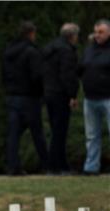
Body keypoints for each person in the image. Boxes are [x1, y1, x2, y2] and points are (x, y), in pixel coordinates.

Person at [2, 21, 48, 175]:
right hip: (29, 97)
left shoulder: (9, 52)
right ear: (31, 33)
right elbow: (37, 76)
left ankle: (12, 166)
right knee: (37, 133)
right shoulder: (31, 52)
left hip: (12, 95)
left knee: (13, 134)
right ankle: (47, 164)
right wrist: (41, 93)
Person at [43, 23, 80, 175]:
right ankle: (54, 165)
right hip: (60, 94)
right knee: (60, 131)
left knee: (56, 129)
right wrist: (72, 94)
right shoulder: (67, 51)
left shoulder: (50, 49)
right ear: (72, 36)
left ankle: (61, 164)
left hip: (49, 92)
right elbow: (67, 75)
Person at [78, 19, 110, 175]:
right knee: (91, 136)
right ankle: (91, 167)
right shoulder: (89, 50)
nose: (97, 35)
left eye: (101, 32)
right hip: (90, 98)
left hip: (108, 98)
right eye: (96, 32)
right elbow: (81, 68)